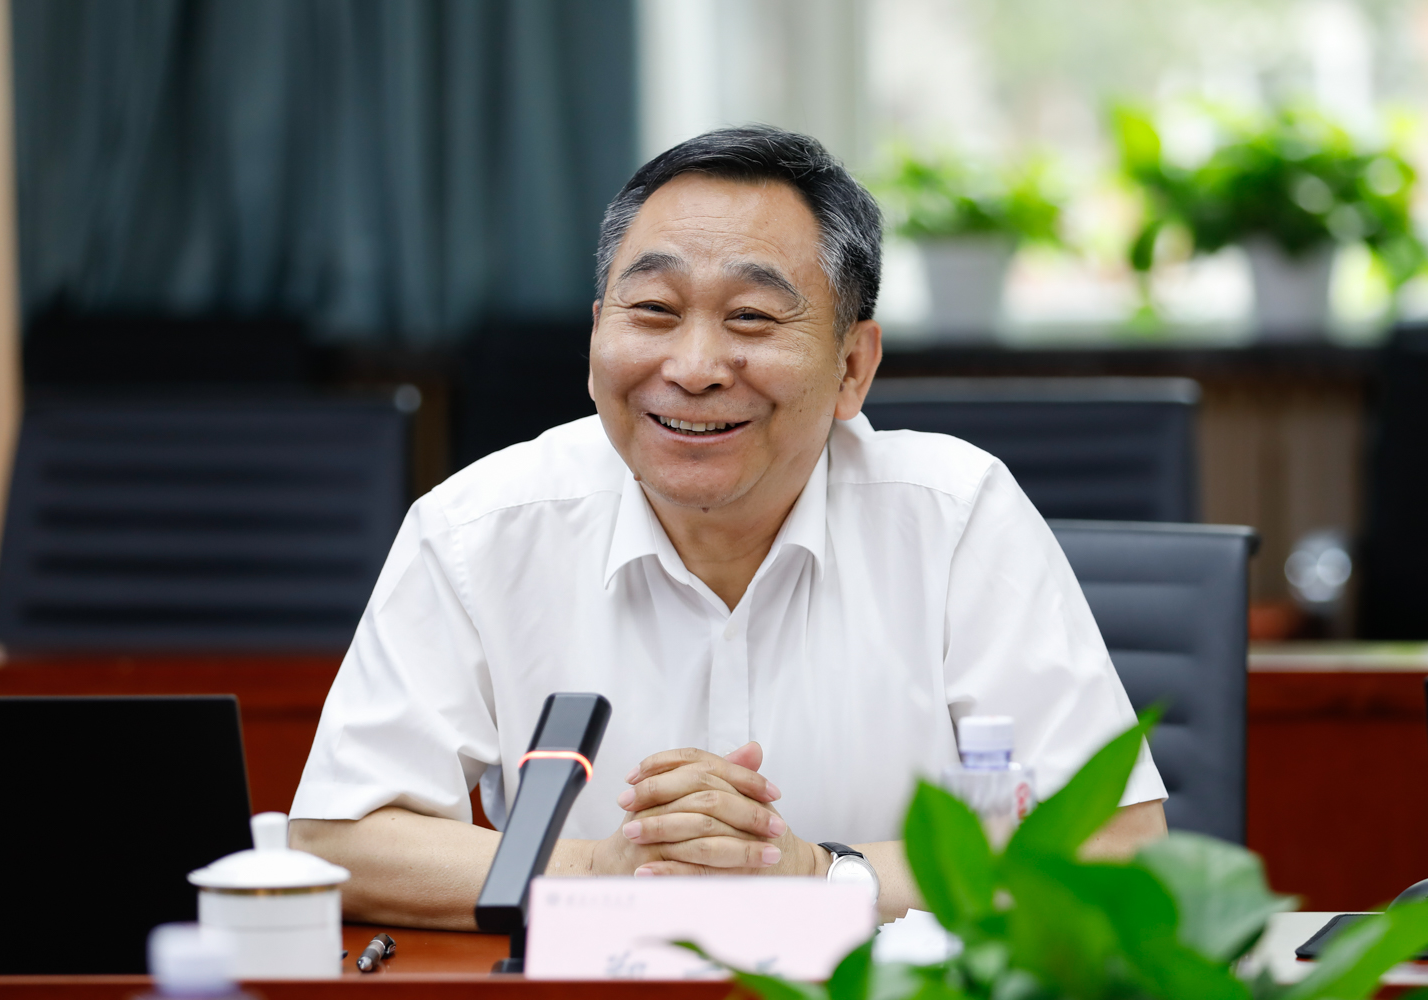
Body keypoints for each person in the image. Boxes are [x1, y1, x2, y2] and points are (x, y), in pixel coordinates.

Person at [289, 126, 1167, 928]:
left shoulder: (955, 516)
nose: (695, 367)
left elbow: (1115, 842)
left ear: (852, 367)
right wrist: (601, 869)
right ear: (596, 339)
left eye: (751, 317)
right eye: (654, 311)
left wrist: (821, 875)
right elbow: (338, 839)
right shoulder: (477, 529)